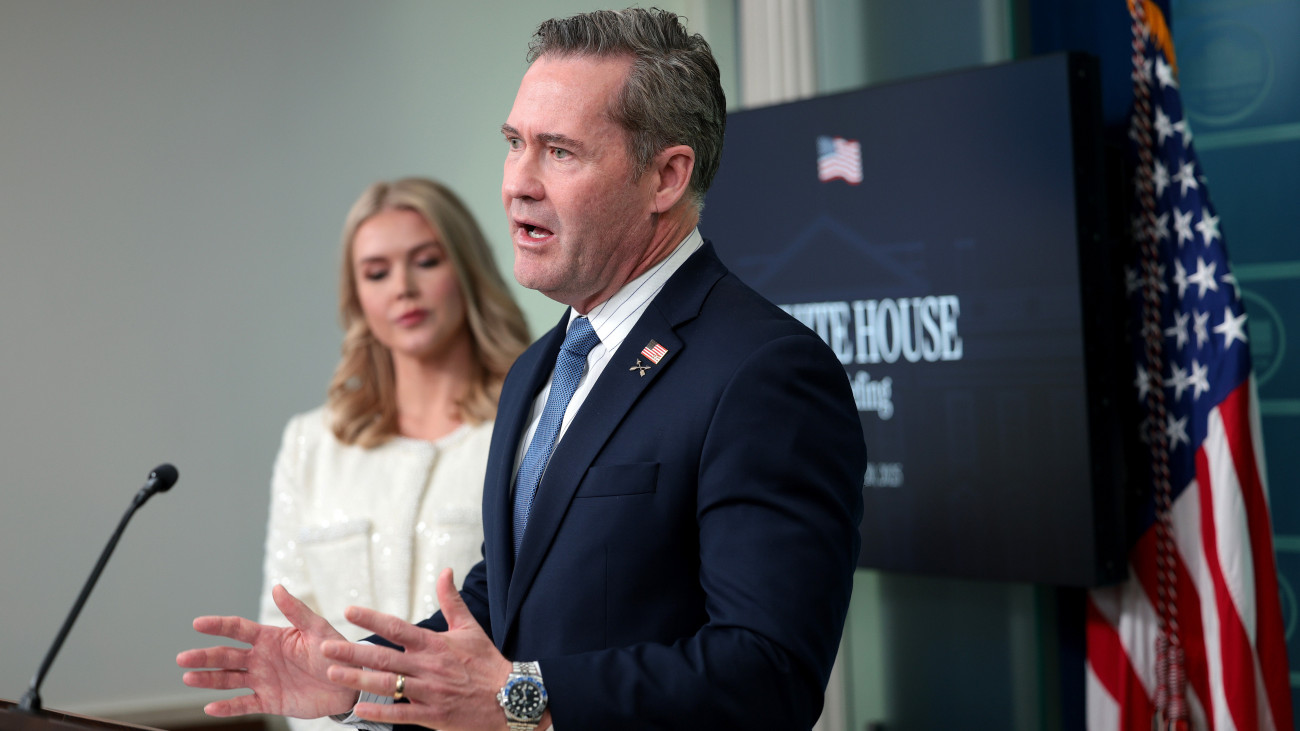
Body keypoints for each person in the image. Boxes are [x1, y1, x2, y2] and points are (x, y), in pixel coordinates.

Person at [178, 9, 865, 731]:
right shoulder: (540, 368)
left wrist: (521, 699)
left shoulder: (764, 372)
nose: (518, 184)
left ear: (666, 176)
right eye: (514, 144)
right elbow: (506, 600)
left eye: (560, 152)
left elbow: (769, 675)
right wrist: (357, 675)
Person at [257, 177, 529, 731]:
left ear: (467, 270)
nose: (402, 287)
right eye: (377, 273)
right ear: (356, 296)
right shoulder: (312, 443)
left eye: (426, 262)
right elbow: (286, 633)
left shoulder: (534, 424)